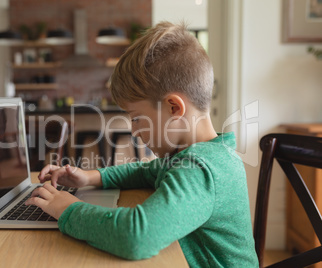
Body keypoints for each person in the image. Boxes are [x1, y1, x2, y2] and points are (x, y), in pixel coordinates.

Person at [25, 21, 259, 267]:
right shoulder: (195, 156)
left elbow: (136, 236)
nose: (134, 131)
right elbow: (146, 171)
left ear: (174, 107)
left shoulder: (200, 168)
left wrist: (67, 208)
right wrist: (89, 178)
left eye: (136, 118)